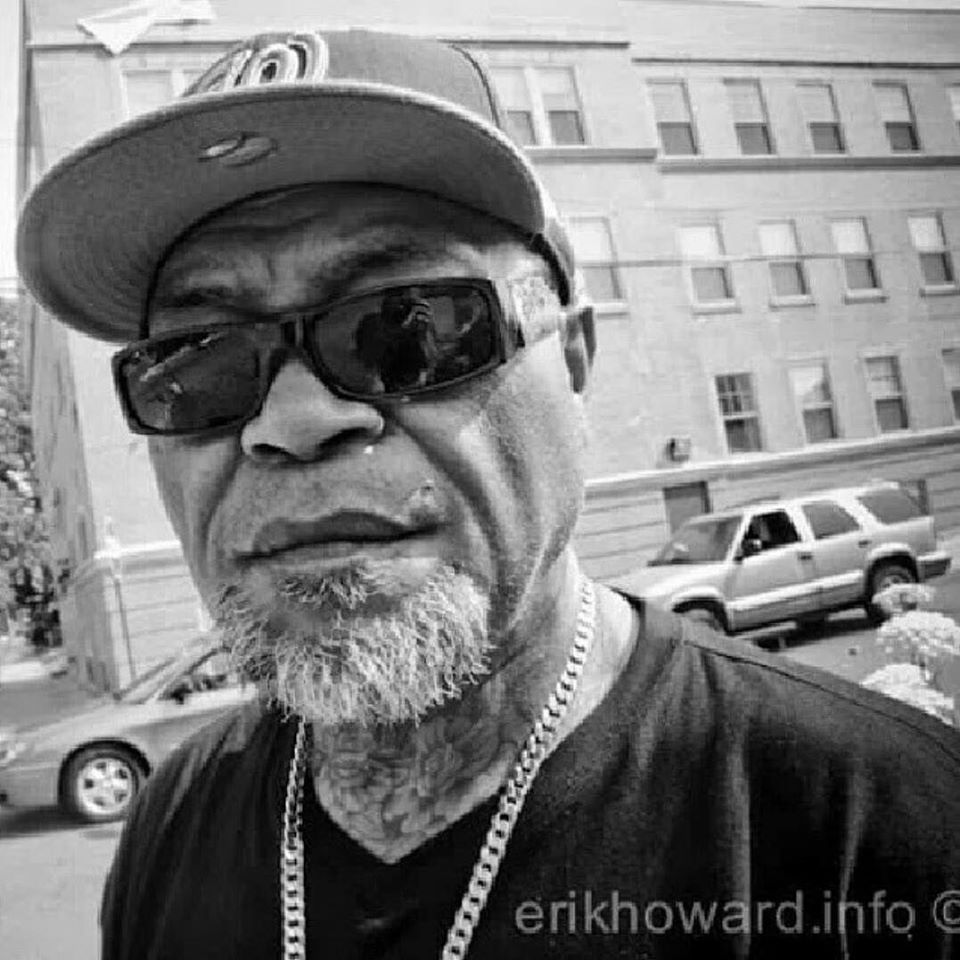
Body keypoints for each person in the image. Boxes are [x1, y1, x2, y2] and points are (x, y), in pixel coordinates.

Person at [16, 28, 960, 960]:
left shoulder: (878, 824)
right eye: (197, 366)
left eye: (407, 328)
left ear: (572, 358)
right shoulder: (170, 824)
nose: (294, 422)